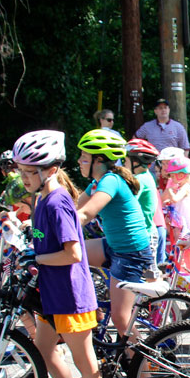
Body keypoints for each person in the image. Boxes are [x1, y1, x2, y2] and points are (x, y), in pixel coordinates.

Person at [11, 131, 105, 378]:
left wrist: (37, 258)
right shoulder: (42, 198)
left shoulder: (56, 202)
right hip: (51, 293)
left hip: (70, 295)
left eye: (29, 172)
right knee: (44, 349)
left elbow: (73, 253)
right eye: (21, 171)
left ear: (50, 170)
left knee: (86, 364)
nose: (24, 177)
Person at [77, 128, 154, 346]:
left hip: (130, 253)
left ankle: (144, 375)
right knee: (73, 255)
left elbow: (86, 212)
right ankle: (93, 310)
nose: (80, 161)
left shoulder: (110, 181)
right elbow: (74, 208)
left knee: (122, 320)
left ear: (99, 160)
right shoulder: (97, 182)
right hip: (114, 246)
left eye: (84, 157)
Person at [125, 138, 165, 264]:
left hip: (144, 235)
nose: (124, 165)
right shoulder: (146, 177)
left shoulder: (140, 179)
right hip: (145, 233)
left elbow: (125, 201)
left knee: (146, 277)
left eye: (125, 161)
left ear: (135, 162)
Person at [161, 154, 190, 245]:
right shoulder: (179, 186)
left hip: (187, 221)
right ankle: (178, 257)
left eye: (173, 175)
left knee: (185, 241)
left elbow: (175, 199)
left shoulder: (186, 187)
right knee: (177, 240)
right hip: (180, 220)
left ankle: (184, 258)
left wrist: (169, 190)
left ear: (182, 175)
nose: (171, 178)